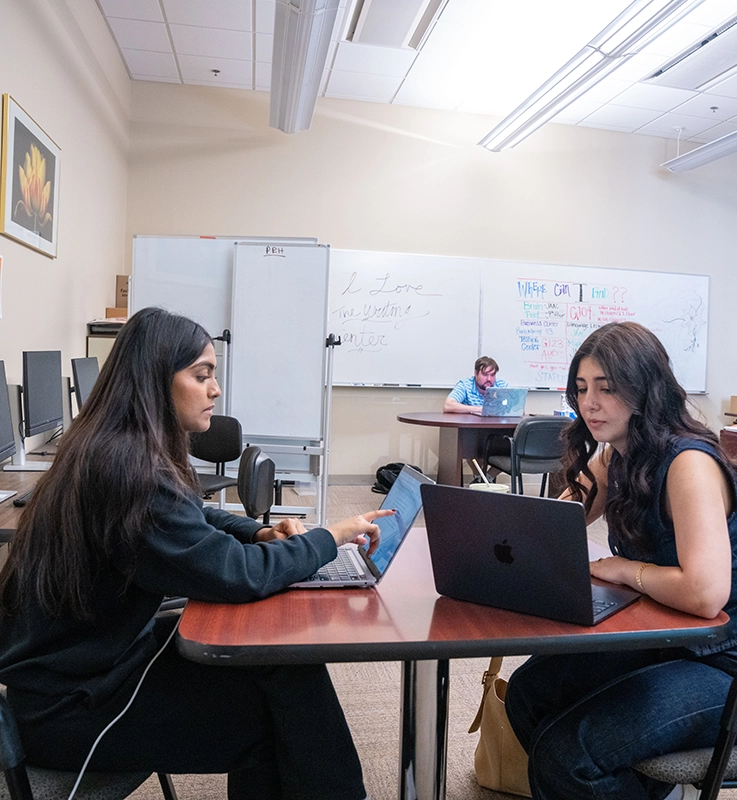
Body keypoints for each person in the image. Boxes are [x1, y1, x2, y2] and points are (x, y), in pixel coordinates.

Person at [0, 307, 392, 800]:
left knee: (284, 664)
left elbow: (197, 516)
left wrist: (256, 533)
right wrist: (328, 539)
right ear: (154, 382)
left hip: (91, 668)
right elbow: (236, 576)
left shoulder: (117, 447)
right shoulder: (128, 472)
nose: (216, 390)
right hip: (69, 709)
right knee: (279, 716)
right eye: (201, 375)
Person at [504, 321, 737, 800]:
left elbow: (705, 594)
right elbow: (555, 525)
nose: (588, 404)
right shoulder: (616, 456)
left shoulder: (688, 463)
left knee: (567, 755)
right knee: (530, 693)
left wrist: (624, 570)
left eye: (606, 388)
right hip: (670, 638)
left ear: (644, 390)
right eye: (580, 389)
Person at [443, 356, 508, 415]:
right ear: (475, 373)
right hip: (471, 426)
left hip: (497, 425)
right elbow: (448, 406)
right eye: (485, 375)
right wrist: (479, 409)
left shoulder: (502, 385)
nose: (489, 379)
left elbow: (515, 406)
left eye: (492, 375)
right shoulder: (465, 385)